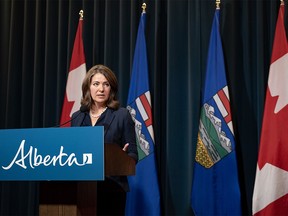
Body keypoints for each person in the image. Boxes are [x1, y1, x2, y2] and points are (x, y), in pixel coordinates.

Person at [71, 64, 138, 215]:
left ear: (111, 89)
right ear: (88, 88)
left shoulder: (122, 115)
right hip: (81, 189)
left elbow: (133, 154)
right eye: (96, 84)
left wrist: (121, 158)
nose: (101, 89)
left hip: (112, 188)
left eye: (106, 84)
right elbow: (73, 153)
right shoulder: (78, 117)